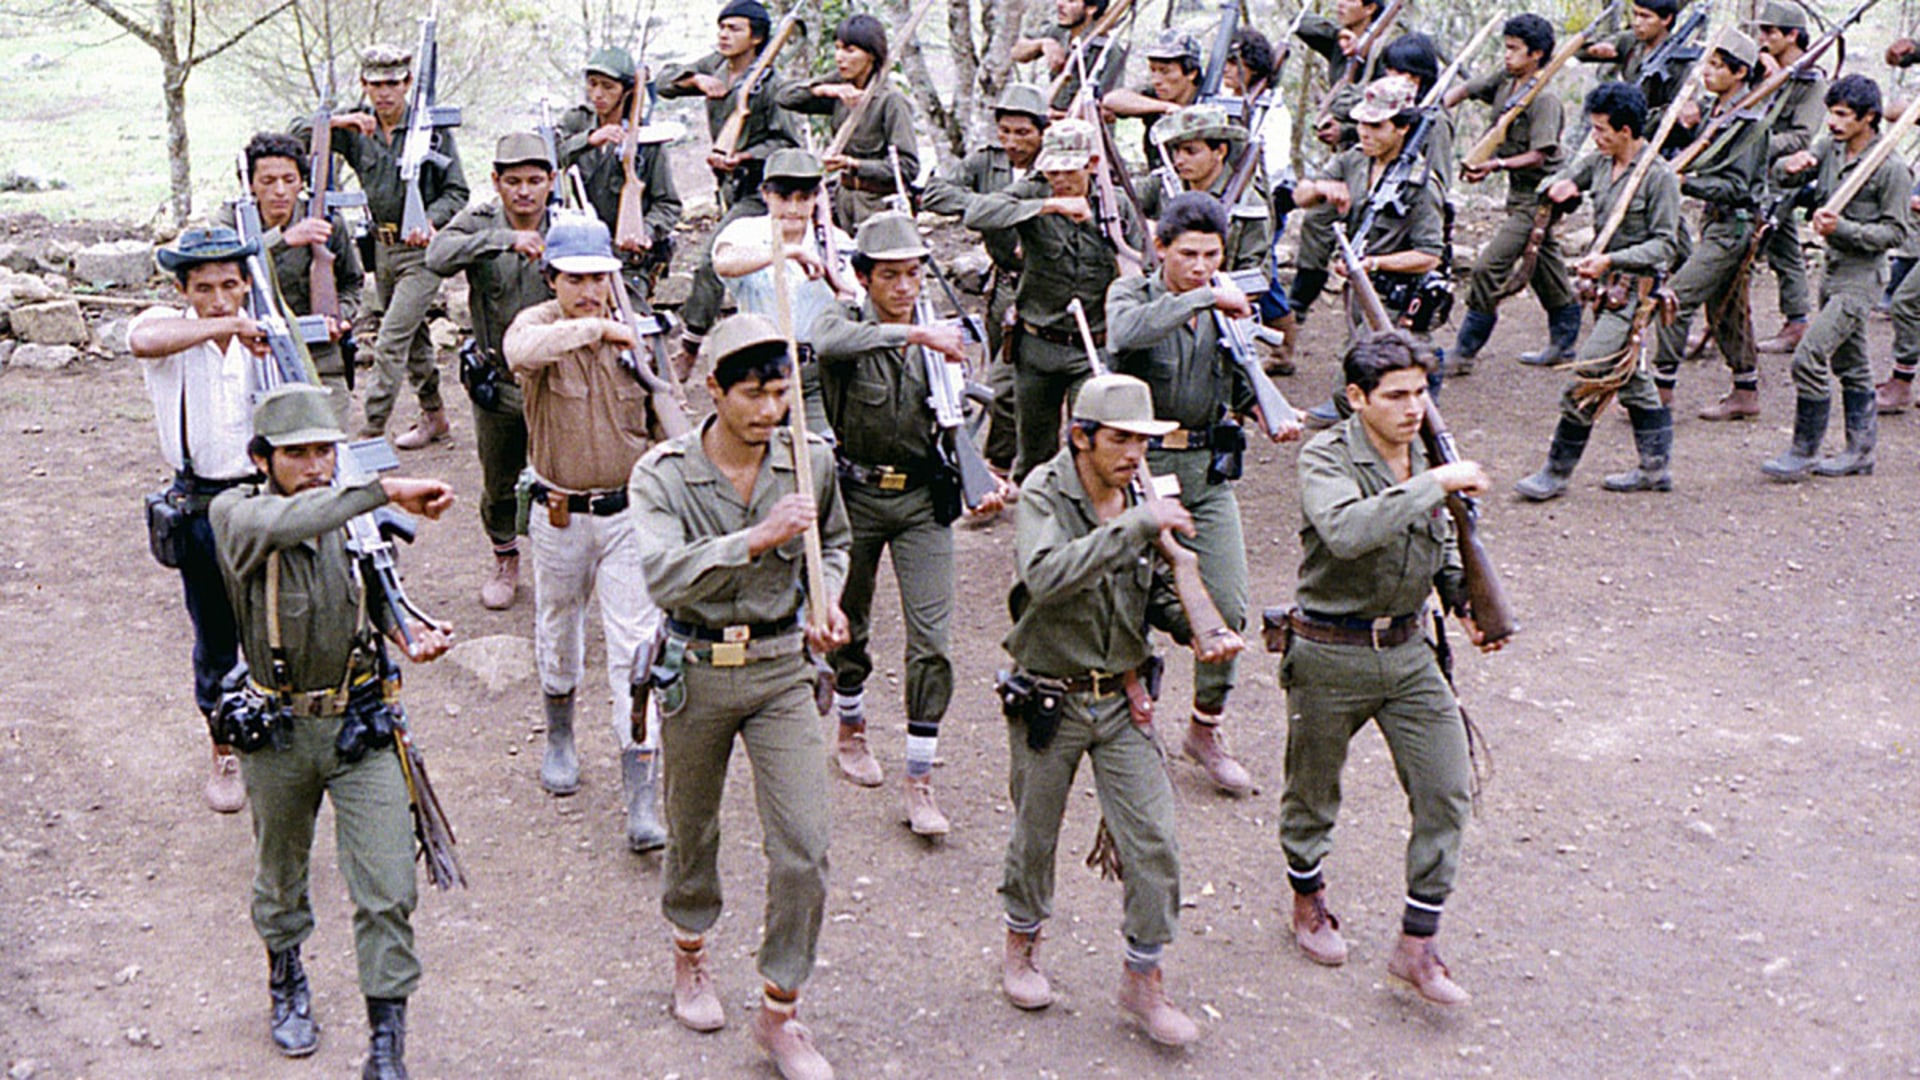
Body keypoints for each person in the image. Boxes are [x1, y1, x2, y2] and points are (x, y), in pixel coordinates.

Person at [629, 313, 852, 1080]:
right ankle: (690, 949)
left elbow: (838, 542)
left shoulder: (809, 461)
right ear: (714, 391)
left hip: (782, 668)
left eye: (781, 392)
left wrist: (831, 602)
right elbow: (660, 574)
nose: (769, 410)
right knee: (691, 829)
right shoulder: (661, 473)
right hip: (696, 666)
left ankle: (780, 1010)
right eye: (754, 394)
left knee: (805, 846)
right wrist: (755, 539)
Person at [209, 384, 455, 1075]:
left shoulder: (356, 520)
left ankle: (387, 1042)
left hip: (359, 726)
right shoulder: (238, 514)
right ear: (263, 459)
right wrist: (384, 490)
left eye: (325, 451)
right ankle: (285, 977)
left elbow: (375, 598)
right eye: (297, 454)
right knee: (281, 876)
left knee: (387, 887)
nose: (315, 465)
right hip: (280, 730)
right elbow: (292, 523)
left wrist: (411, 633)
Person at [997, 374, 1238, 1047]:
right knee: (1034, 834)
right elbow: (1044, 576)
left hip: (1123, 697)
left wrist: (1198, 627)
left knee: (1154, 840)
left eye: (1144, 440)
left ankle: (1144, 978)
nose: (1135, 453)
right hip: (1051, 695)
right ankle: (1022, 945)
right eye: (1121, 439)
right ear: (1082, 438)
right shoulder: (1048, 493)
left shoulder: (1141, 495)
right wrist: (1139, 524)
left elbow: (1156, 593)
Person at [1278, 330, 1497, 1006]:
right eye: (1396, 395)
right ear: (1356, 398)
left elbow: (1450, 539)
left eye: (1421, 392)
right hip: (1328, 651)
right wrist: (1432, 484)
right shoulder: (1325, 456)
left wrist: (1466, 596)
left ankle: (1417, 943)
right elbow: (1346, 533)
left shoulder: (1430, 452)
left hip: (1409, 652)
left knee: (1447, 790)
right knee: (1313, 795)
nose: (1412, 407)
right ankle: (1308, 898)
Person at [810, 212, 1015, 833]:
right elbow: (827, 347)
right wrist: (917, 339)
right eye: (890, 276)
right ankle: (850, 726)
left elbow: (953, 420)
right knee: (851, 623)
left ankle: (919, 773)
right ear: (863, 277)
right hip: (856, 497)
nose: (904, 288)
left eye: (913, 275)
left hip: (924, 501)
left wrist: (982, 479)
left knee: (932, 639)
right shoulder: (843, 321)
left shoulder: (939, 331)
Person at [1107, 192, 1300, 796]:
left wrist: (1267, 406)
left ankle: (1205, 728)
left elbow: (1236, 375)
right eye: (1187, 253)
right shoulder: (1133, 296)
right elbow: (1126, 334)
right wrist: (1202, 297)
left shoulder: (1228, 302)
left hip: (1207, 476)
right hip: (1139, 469)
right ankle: (1128, 718)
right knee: (1130, 601)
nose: (1200, 265)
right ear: (1159, 248)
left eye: (1211, 256)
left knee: (1227, 607)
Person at [504, 213, 676, 852]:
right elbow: (521, 353)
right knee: (558, 627)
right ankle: (559, 735)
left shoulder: (643, 335)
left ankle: (640, 798)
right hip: (558, 512)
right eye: (573, 278)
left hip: (628, 515)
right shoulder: (539, 325)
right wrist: (599, 329)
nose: (587, 289)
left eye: (598, 279)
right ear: (551, 278)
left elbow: (670, 423)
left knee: (635, 646)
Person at [130, 227, 276, 814]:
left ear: (246, 285)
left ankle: (273, 735)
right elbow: (143, 338)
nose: (219, 299)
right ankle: (224, 747)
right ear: (182, 290)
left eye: (230, 287)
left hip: (262, 501)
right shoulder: (175, 333)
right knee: (216, 635)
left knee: (275, 623)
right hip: (200, 506)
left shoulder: (264, 334)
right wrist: (226, 326)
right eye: (205, 288)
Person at [1514, 82, 1681, 501]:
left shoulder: (1657, 177)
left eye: (1603, 130)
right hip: (1605, 294)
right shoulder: (1601, 163)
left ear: (1627, 131)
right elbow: (1565, 176)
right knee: (1630, 377)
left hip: (1635, 293)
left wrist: (1611, 260)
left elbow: (1665, 244)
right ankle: (1655, 468)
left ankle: (1556, 472)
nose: (1596, 137)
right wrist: (1559, 187)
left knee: (1590, 372)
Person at [296, 44, 468, 449]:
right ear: (364, 85)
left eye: (392, 83)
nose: (384, 93)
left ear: (407, 83)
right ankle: (435, 417)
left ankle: (368, 433)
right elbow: (295, 137)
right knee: (415, 339)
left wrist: (429, 220)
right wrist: (336, 121)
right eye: (375, 85)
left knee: (390, 340)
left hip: (424, 252)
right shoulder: (358, 129)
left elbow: (458, 191)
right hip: (382, 249)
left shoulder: (431, 128)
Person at [964, 118, 1146, 480]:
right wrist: (1048, 207)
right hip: (1038, 345)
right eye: (1052, 170)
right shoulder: (1034, 193)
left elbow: (1140, 265)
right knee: (1035, 452)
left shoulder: (1117, 204)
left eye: (1069, 170)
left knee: (1092, 442)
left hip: (1093, 345)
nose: (1060, 179)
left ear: (1092, 164)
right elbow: (976, 214)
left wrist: (1096, 225)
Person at [425, 133, 558, 611]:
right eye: (514, 181)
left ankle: (559, 565)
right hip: (498, 382)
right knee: (500, 481)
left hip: (558, 381)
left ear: (551, 182)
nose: (525, 192)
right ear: (497, 183)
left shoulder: (570, 222)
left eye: (535, 181)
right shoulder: (481, 221)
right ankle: (505, 558)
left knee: (561, 476)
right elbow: (436, 256)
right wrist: (504, 240)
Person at [1763, 74, 1912, 482]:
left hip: (1861, 279)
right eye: (1831, 112)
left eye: (1843, 114)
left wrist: (1842, 229)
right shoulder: (1829, 148)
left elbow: (1895, 233)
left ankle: (1803, 450)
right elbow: (1789, 179)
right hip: (1831, 273)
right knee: (1852, 364)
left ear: (1868, 118)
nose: (1832, 121)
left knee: (1808, 356)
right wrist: (1789, 168)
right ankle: (1860, 452)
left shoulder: (1891, 168)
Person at [658, 0, 805, 370]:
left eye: (735, 28)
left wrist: (745, 156)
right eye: (721, 27)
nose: (724, 35)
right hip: (728, 189)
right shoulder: (716, 65)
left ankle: (690, 347)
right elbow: (663, 82)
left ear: (756, 38)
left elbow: (787, 144)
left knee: (712, 260)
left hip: (760, 190)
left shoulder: (772, 85)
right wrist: (695, 80)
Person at [1292, 77, 1446, 426]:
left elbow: (1429, 254)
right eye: (1362, 122)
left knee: (1363, 379)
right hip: (1360, 292)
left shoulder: (1420, 185)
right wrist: (1320, 188)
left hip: (1395, 296)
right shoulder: (1354, 161)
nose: (1364, 132)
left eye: (1376, 125)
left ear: (1403, 127)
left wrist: (1373, 263)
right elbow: (1300, 196)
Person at [919, 83, 1050, 476]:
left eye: (1023, 133)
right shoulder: (985, 163)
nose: (1012, 142)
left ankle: (1011, 464)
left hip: (1045, 283)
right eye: (1005, 131)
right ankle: (1003, 464)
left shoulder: (1056, 163)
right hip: (1004, 286)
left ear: (1043, 131)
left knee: (1019, 382)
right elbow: (934, 194)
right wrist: (988, 209)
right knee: (1003, 376)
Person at [1446, 15, 1575, 374]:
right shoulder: (1507, 81)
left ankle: (1464, 352)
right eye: (1506, 47)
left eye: (1515, 49)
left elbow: (1541, 154)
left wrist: (1495, 165)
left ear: (1536, 54)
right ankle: (1565, 342)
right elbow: (1471, 88)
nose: (1507, 55)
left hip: (1540, 197)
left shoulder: (1544, 99)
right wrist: (1442, 103)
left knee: (1489, 267)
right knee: (1544, 266)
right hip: (1519, 196)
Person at [1651, 32, 1770, 420]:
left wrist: (1687, 183)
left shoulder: (1750, 123)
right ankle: (1746, 391)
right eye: (1708, 64)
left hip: (1734, 227)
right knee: (1726, 306)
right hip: (1715, 222)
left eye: (1718, 66)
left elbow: (1740, 187)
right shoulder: (1715, 111)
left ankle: (1661, 388)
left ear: (1739, 73)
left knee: (1675, 298)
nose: (1708, 73)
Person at [708, 148, 857, 440]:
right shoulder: (745, 232)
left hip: (815, 371)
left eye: (804, 198)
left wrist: (839, 287)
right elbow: (723, 262)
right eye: (784, 197)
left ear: (817, 198)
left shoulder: (836, 242)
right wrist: (786, 252)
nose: (793, 208)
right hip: (759, 371)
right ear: (765, 195)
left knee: (821, 453)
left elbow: (854, 297)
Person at [218, 132, 362, 427]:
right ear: (251, 185)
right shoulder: (233, 223)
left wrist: (339, 317)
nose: (280, 191)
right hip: (254, 355)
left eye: (289, 179)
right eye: (268, 181)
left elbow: (351, 282)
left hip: (320, 358)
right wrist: (282, 239)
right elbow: (224, 272)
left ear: (301, 182)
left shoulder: (326, 221)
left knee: (328, 446)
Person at [555, 46, 685, 302]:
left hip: (629, 260)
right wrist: (589, 140)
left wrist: (645, 232)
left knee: (629, 314)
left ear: (626, 92)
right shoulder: (576, 123)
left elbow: (668, 204)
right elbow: (549, 158)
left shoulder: (647, 141)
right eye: (592, 84)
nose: (598, 94)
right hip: (581, 248)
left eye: (608, 86)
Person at [776, 13, 918, 233]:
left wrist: (852, 164)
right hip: (843, 202)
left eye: (850, 51)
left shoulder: (891, 101)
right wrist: (825, 89)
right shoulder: (840, 88)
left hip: (877, 205)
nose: (840, 57)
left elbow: (907, 168)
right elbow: (785, 97)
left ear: (871, 55)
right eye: (837, 48)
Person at [1755, 0, 1828, 358]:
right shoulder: (1760, 68)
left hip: (1782, 174)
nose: (1763, 38)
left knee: (1748, 245)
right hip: (1753, 173)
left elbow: (1801, 136)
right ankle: (1796, 321)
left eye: (1770, 32)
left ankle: (1797, 323)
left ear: (1792, 35)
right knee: (1781, 248)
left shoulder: (1812, 83)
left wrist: (1753, 145)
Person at [1137, 105, 1272, 284]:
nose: (1179, 160)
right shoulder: (1163, 184)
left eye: (1191, 151)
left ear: (1220, 152)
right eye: (1176, 150)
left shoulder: (1247, 203)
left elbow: (1256, 276)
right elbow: (1120, 207)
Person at [1576, 0, 1689, 124]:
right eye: (1635, 14)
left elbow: (1677, 109)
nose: (1637, 22)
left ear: (1666, 19)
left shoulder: (1678, 60)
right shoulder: (1631, 41)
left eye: (1645, 16)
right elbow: (1579, 50)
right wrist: (1593, 50)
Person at [1101, 29, 1203, 163]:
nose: (1156, 80)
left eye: (1165, 71)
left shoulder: (1208, 103)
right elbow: (1112, 99)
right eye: (1153, 70)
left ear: (1191, 73)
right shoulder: (1157, 96)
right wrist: (1165, 107)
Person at [1012, 0, 1120, 113]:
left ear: (1091, 8)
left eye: (1070, 1)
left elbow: (1107, 111)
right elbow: (1016, 52)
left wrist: (1057, 115)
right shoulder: (1059, 31)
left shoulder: (1108, 51)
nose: (1060, 3)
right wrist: (1042, 43)